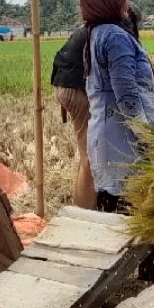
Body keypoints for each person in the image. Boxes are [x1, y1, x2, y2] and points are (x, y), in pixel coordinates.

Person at [82, 0, 154, 214]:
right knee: (128, 211)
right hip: (123, 137)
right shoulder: (115, 36)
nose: (127, 5)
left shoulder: (96, 33)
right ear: (109, 2)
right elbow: (126, 95)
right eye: (122, 0)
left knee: (110, 207)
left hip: (105, 132)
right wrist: (147, 135)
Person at [50, 26, 96, 209]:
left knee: (87, 150)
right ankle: (84, 209)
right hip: (74, 89)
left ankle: (86, 202)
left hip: (65, 86)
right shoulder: (102, 30)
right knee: (90, 155)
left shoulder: (88, 28)